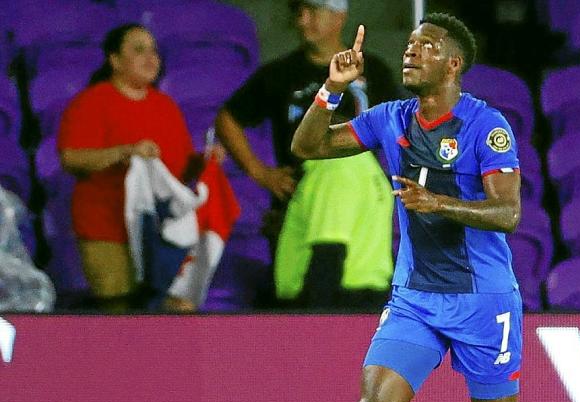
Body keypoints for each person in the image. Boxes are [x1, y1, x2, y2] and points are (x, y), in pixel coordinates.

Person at [291, 13, 526, 402]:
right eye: (410, 43)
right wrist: (333, 89)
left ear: (453, 64)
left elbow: (508, 213)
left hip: (483, 301)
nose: (411, 52)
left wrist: (438, 203)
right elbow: (308, 145)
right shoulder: (390, 119)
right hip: (416, 299)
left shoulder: (486, 126)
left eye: (427, 46)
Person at [215, 0, 398, 311]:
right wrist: (261, 173)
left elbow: (401, 128)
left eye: (313, 11)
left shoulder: (374, 72)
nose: (302, 21)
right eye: (299, 13)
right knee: (302, 288)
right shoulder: (281, 73)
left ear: (339, 17)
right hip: (296, 201)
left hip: (357, 199)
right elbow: (228, 118)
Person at [58, 23, 216, 312]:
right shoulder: (91, 102)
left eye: (154, 51)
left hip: (157, 235)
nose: (151, 58)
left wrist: (204, 161)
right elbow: (71, 158)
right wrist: (125, 152)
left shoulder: (165, 106)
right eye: (139, 50)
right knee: (121, 315)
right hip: (106, 231)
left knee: (175, 309)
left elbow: (177, 170)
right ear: (114, 60)